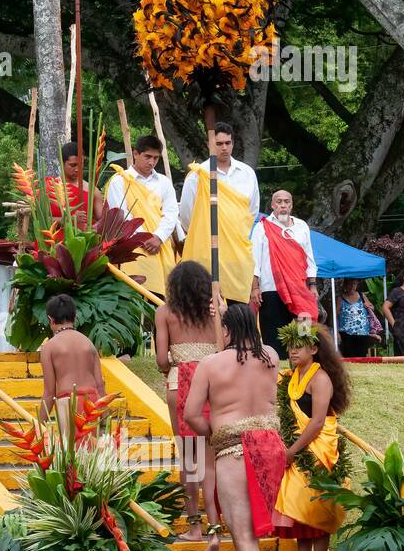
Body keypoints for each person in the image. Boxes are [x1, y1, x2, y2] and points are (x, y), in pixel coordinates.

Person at [184, 304, 285, 551]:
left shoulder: (212, 364)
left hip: (236, 451)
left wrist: (213, 433)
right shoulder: (271, 356)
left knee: (243, 535)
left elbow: (190, 414)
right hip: (271, 450)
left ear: (226, 330)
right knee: (252, 531)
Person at [272, 321, 350, 551]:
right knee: (298, 510)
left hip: (317, 450)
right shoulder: (291, 377)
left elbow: (317, 423)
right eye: (290, 347)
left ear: (314, 349)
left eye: (299, 347)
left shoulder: (320, 379)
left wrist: (292, 451)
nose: (293, 352)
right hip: (297, 448)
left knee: (317, 510)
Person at [154, 260, 220, 551]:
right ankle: (217, 525)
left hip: (178, 380)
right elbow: (223, 348)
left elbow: (159, 360)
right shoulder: (216, 312)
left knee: (189, 458)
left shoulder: (164, 312)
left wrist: (175, 364)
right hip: (212, 382)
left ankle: (195, 525)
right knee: (211, 459)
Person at [177, 122, 259, 304]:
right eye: (219, 143)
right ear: (210, 145)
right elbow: (186, 215)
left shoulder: (247, 174)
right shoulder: (198, 175)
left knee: (237, 311)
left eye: (227, 143)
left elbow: (251, 212)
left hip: (237, 254)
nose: (224, 148)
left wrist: (232, 233)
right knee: (204, 310)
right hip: (206, 252)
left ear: (233, 143)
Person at [104, 134, 179, 298]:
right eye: (147, 156)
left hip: (161, 246)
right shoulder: (119, 181)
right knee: (136, 297)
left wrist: (158, 237)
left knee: (162, 298)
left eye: (156, 158)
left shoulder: (164, 182)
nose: (151, 162)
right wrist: (143, 238)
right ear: (135, 154)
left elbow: (171, 213)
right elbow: (121, 215)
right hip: (131, 249)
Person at [249, 189, 318, 357]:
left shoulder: (301, 226)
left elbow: (309, 258)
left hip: (299, 289)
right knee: (274, 335)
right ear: (272, 205)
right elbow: (254, 260)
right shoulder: (262, 227)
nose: (283, 205)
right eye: (279, 202)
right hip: (271, 289)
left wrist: (313, 284)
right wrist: (254, 287)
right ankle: (277, 371)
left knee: (303, 328)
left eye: (287, 202)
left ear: (291, 205)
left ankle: (303, 366)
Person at [38, 294, 105, 434]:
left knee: (72, 453)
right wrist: (104, 418)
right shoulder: (89, 343)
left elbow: (49, 393)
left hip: (68, 403)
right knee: (92, 453)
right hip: (92, 402)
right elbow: (100, 385)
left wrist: (39, 426)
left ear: (50, 320)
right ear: (75, 317)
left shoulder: (49, 347)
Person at [334, 278, 376, 358]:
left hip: (362, 332)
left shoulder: (361, 295)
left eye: (354, 284)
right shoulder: (340, 298)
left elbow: (372, 308)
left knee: (362, 355)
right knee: (348, 355)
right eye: (350, 284)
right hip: (346, 333)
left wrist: (368, 306)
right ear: (345, 285)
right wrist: (337, 332)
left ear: (357, 284)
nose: (352, 286)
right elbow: (335, 315)